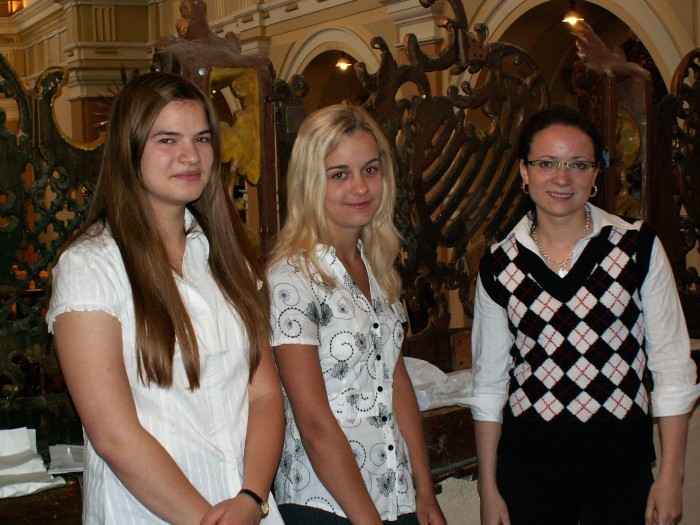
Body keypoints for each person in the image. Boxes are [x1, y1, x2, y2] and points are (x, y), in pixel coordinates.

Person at [46, 72, 285, 525]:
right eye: (167, 140)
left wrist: (252, 497)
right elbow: (114, 435)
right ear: (129, 148)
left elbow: (265, 394)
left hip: (246, 506)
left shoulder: (226, 257)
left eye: (201, 138)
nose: (191, 156)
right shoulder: (91, 267)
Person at [470, 105, 700, 525]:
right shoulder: (498, 264)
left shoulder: (637, 248)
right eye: (546, 163)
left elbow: (672, 367)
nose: (562, 179)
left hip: (620, 470)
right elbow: (489, 384)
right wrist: (488, 489)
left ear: (596, 174)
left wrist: (671, 476)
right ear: (524, 171)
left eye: (578, 164)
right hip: (528, 474)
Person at [266, 105, 446, 525]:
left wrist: (423, 488)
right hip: (323, 502)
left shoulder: (378, 266)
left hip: (394, 493)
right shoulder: (291, 278)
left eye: (370, 169)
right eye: (339, 174)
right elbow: (313, 422)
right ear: (310, 182)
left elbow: (396, 381)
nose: (361, 187)